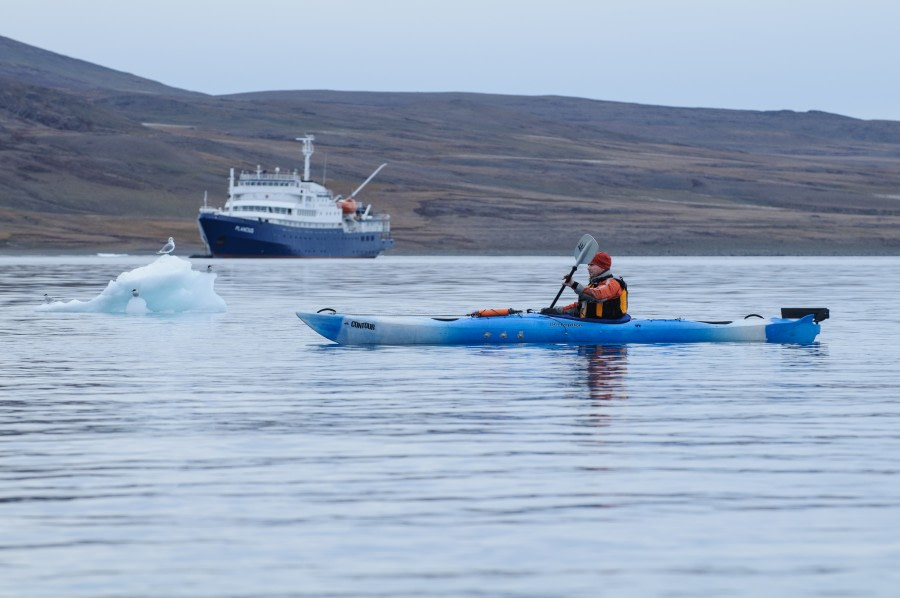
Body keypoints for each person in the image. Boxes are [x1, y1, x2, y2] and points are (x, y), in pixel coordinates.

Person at [541, 251, 629, 320]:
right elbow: (580, 306)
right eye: (588, 265)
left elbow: (598, 295)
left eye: (591, 265)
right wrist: (556, 311)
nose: (588, 268)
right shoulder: (592, 285)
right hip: (590, 322)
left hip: (610, 324)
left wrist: (574, 285)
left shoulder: (613, 284)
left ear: (603, 267)